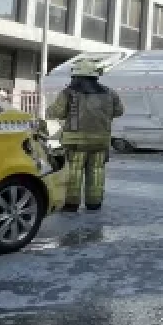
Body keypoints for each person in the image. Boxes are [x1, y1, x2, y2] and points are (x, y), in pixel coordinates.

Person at [46, 59, 125, 211]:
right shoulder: (110, 93)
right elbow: (119, 111)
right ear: (95, 76)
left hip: (75, 142)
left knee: (74, 172)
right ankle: (94, 203)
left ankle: (71, 204)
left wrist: (50, 110)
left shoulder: (68, 93)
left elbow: (58, 113)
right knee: (96, 171)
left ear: (76, 76)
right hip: (100, 141)